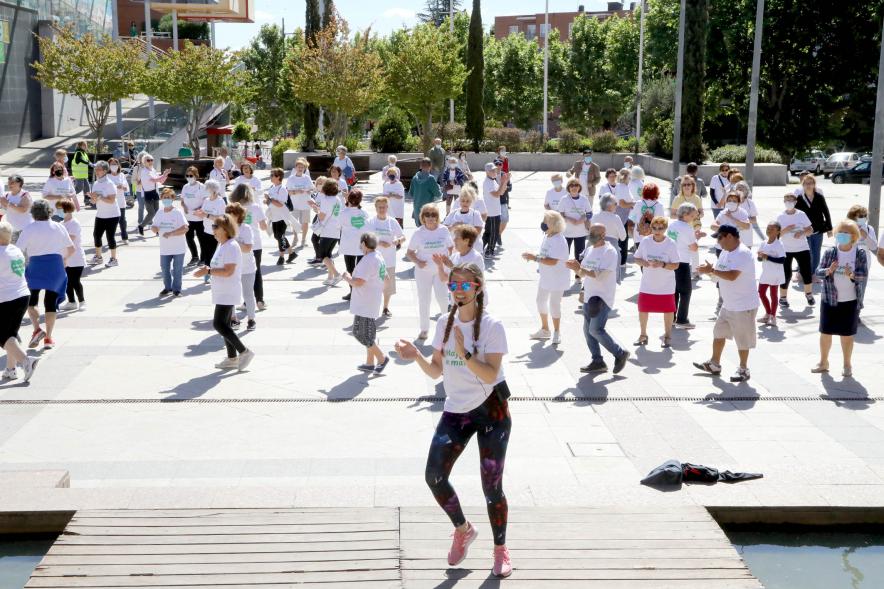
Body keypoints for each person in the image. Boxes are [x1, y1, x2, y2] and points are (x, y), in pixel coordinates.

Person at [394, 263, 513, 579]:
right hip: (457, 411)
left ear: (478, 287)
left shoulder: (492, 326)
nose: (458, 290)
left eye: (465, 285)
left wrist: (465, 352)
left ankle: (500, 550)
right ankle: (463, 529)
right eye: (453, 285)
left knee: (492, 487)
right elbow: (437, 370)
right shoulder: (443, 324)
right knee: (434, 475)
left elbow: (490, 374)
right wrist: (415, 356)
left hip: (492, 413)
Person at [694, 225, 759, 383]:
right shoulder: (725, 252)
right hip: (728, 303)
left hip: (743, 305)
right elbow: (718, 272)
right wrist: (709, 271)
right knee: (719, 333)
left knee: (742, 339)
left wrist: (713, 271)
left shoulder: (743, 253)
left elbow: (732, 276)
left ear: (729, 236)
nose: (718, 241)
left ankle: (744, 369)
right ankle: (714, 364)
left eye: (719, 237)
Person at [194, 214, 255, 371]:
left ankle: (244, 351)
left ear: (225, 229)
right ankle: (232, 358)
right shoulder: (222, 245)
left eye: (216, 226)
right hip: (222, 291)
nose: (213, 229)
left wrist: (208, 270)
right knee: (225, 324)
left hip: (228, 291)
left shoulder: (231, 246)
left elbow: (228, 271)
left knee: (219, 324)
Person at [567, 223, 629, 374]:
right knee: (588, 330)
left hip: (603, 298)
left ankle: (620, 353)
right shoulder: (589, 249)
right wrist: (577, 270)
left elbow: (599, 275)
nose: (592, 234)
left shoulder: (609, 252)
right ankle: (597, 361)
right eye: (591, 231)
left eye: (595, 232)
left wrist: (580, 269)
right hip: (589, 296)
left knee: (595, 329)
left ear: (603, 234)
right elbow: (583, 274)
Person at [812, 220, 866, 378]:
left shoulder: (859, 254)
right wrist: (829, 270)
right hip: (829, 299)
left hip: (850, 300)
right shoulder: (830, 252)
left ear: (854, 236)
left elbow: (862, 275)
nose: (842, 235)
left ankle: (847, 365)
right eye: (840, 232)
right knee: (825, 332)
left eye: (846, 232)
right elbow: (818, 272)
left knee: (847, 335)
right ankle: (823, 362)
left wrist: (852, 275)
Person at [17, 201, 74, 350]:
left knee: (31, 301)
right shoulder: (58, 226)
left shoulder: (29, 229)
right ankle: (48, 337)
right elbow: (71, 248)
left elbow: (18, 251)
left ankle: (36, 328)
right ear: (49, 212)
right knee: (51, 302)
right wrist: (64, 260)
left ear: (33, 213)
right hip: (55, 266)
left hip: (35, 266)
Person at [343, 232, 390, 373]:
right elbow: (386, 278)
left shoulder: (368, 260)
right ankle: (370, 363)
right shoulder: (378, 256)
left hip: (365, 302)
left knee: (359, 333)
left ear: (364, 244)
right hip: (371, 300)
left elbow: (358, 282)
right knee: (369, 333)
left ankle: (382, 358)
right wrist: (378, 289)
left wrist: (347, 277)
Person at [522, 211, 570, 345]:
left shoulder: (559, 240)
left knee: (554, 305)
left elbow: (553, 261)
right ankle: (545, 329)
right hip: (546, 276)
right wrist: (535, 257)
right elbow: (545, 255)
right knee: (540, 301)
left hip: (557, 278)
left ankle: (557, 332)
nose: (542, 223)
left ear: (554, 224)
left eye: (545, 221)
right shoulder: (548, 236)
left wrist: (535, 258)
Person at [407, 204, 454, 340]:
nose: (430, 218)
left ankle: (447, 326)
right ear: (422, 217)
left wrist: (447, 258)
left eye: (433, 215)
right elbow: (409, 252)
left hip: (441, 270)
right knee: (424, 300)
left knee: (442, 298)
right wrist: (418, 261)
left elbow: (451, 247)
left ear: (437, 217)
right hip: (423, 272)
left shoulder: (444, 230)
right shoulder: (418, 233)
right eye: (427, 215)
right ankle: (424, 329)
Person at [0, 221, 39, 381]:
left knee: (2, 336)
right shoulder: (15, 250)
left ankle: (26, 361)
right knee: (11, 334)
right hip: (22, 295)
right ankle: (10, 369)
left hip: (6, 298)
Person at [633, 216, 679, 347]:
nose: (657, 231)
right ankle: (643, 335)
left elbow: (676, 265)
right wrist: (645, 263)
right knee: (643, 308)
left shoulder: (671, 243)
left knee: (668, 310)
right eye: (654, 228)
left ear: (665, 229)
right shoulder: (645, 241)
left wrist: (662, 264)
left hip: (666, 284)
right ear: (651, 227)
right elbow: (637, 258)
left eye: (660, 228)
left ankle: (668, 336)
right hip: (648, 283)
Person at [229, 183, 268, 310]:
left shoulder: (233, 208)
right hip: (255, 244)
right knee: (257, 272)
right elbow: (263, 227)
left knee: (243, 273)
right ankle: (260, 300)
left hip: (238, 244)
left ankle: (246, 301)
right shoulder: (256, 207)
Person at [367, 196, 404, 317]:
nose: (382, 209)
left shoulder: (392, 221)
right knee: (373, 285)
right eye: (379, 207)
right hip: (373, 260)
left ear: (387, 207)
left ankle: (386, 307)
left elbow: (402, 236)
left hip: (389, 260)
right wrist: (379, 243)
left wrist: (397, 241)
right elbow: (365, 239)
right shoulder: (371, 221)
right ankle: (373, 307)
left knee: (387, 286)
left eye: (384, 207)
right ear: (375, 208)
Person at [777, 193, 815, 308]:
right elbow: (776, 234)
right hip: (786, 249)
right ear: (783, 201)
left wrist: (802, 233)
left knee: (806, 272)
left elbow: (811, 229)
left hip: (802, 248)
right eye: (786, 200)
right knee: (785, 274)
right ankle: (783, 298)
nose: (788, 202)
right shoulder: (780, 216)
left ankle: (809, 294)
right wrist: (786, 229)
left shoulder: (801, 214)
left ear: (795, 202)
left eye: (791, 200)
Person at [795, 174, 833, 282]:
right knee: (806, 253)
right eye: (806, 183)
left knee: (816, 252)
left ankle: (814, 274)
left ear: (814, 185)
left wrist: (829, 228)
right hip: (804, 231)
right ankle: (802, 273)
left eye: (811, 183)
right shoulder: (799, 199)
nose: (809, 185)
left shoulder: (819, 197)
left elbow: (826, 212)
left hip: (818, 229)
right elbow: (796, 215)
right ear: (803, 185)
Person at [225, 202, 257, 331]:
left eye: (232, 214)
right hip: (231, 268)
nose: (230, 216)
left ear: (239, 215)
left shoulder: (246, 228)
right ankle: (233, 319)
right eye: (228, 214)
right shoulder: (225, 229)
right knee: (232, 294)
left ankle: (251, 319)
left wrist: (233, 243)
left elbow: (248, 248)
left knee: (248, 294)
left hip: (247, 267)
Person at [150, 188, 188, 297]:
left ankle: (177, 289)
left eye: (168, 197)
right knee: (165, 268)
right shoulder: (160, 212)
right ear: (161, 198)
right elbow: (154, 226)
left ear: (172, 199)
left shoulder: (177, 212)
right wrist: (154, 228)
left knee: (177, 269)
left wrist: (171, 233)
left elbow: (185, 228)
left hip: (178, 247)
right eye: (164, 197)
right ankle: (167, 287)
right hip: (165, 248)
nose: (166, 199)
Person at [668, 203, 700, 329]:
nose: (693, 218)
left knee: (674, 291)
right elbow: (693, 247)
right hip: (683, 262)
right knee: (686, 291)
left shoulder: (672, 225)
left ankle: (672, 317)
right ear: (686, 215)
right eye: (692, 215)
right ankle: (682, 319)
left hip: (671, 261)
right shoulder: (687, 228)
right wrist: (696, 240)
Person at [308, 178, 344, 286]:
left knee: (323, 255)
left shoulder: (326, 200)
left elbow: (322, 216)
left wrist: (315, 208)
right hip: (336, 229)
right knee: (328, 255)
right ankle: (330, 277)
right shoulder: (337, 199)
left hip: (327, 229)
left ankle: (337, 274)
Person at [556, 178, 592, 280]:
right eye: (572, 186)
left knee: (579, 255)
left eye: (576, 185)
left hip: (580, 232)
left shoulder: (584, 199)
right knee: (564, 254)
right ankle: (562, 273)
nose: (574, 188)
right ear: (568, 188)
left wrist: (581, 220)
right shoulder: (564, 199)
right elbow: (559, 214)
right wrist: (569, 219)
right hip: (566, 232)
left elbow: (589, 213)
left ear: (579, 187)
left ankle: (578, 275)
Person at [88, 161, 121, 268]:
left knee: (110, 237)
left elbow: (111, 200)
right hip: (100, 214)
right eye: (96, 169)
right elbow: (94, 202)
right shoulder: (96, 183)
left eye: (99, 169)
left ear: (105, 171)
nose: (96, 171)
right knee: (96, 235)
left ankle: (113, 259)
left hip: (112, 215)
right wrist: (92, 198)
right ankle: (98, 257)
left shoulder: (110, 184)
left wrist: (99, 196)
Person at [339, 189, 370, 302]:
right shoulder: (364, 213)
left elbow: (338, 226)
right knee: (361, 270)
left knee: (350, 269)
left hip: (348, 246)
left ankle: (353, 292)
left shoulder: (343, 213)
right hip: (362, 247)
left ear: (349, 199)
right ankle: (360, 293)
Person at [56, 200, 85, 312]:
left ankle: (82, 301)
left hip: (76, 257)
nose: (58, 211)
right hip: (64, 258)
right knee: (66, 281)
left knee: (75, 281)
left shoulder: (74, 223)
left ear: (67, 209)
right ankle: (71, 302)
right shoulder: (61, 224)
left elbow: (70, 240)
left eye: (60, 208)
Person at [757, 221, 786, 327]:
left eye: (772, 229)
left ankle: (773, 317)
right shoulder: (763, 243)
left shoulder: (779, 244)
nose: (769, 230)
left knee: (773, 295)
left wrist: (767, 257)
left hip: (775, 274)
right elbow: (760, 259)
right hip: (765, 273)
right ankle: (768, 313)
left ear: (778, 231)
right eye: (768, 228)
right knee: (761, 293)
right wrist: (760, 257)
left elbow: (782, 260)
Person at [847, 204, 876, 309]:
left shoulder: (869, 229)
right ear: (853, 217)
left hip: (864, 266)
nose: (862, 218)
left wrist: (866, 236)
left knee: (860, 291)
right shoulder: (847, 228)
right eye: (860, 216)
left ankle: (856, 313)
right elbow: (840, 245)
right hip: (848, 265)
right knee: (848, 291)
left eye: (864, 215)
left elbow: (873, 247)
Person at [267, 167, 296, 265]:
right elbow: (271, 202)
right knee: (278, 236)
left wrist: (270, 200)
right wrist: (267, 201)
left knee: (280, 236)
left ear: (278, 177)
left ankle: (281, 257)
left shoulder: (282, 189)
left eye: (272, 175)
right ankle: (291, 253)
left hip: (282, 216)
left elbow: (280, 204)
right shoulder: (272, 187)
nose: (270, 177)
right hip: (274, 216)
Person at [444, 185, 485, 255]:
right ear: (459, 201)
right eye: (463, 201)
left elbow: (478, 231)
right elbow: (444, 229)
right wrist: (453, 226)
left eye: (467, 201)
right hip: (456, 251)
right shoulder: (453, 213)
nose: (465, 203)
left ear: (471, 202)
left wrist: (463, 227)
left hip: (474, 250)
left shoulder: (475, 214)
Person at [136, 153, 170, 236]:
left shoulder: (153, 170)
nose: (150, 162)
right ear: (144, 162)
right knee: (151, 213)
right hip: (148, 194)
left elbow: (161, 181)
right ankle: (141, 226)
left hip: (155, 193)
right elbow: (155, 180)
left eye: (152, 160)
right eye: (148, 160)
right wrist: (164, 174)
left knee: (157, 213)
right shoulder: (144, 171)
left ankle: (157, 229)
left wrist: (165, 175)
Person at [196, 180, 227, 269]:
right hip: (206, 229)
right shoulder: (206, 200)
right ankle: (207, 272)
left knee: (213, 253)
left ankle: (211, 272)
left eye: (207, 189)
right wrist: (199, 213)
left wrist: (207, 215)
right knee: (206, 252)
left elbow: (221, 218)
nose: (205, 191)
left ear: (213, 190)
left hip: (216, 231)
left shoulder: (220, 201)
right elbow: (203, 211)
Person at [482, 163, 509, 258]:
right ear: (487, 172)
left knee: (488, 232)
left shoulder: (492, 181)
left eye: (495, 170)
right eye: (492, 170)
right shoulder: (488, 182)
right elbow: (497, 194)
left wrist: (505, 181)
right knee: (494, 233)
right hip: (492, 213)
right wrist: (503, 182)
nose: (495, 172)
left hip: (494, 212)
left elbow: (501, 191)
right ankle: (489, 251)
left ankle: (480, 248)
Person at [286, 157, 314, 249]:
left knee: (305, 223)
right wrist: (297, 191)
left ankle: (303, 239)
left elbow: (312, 188)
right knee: (295, 223)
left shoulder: (307, 178)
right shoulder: (291, 178)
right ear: (295, 167)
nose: (300, 168)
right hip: (294, 204)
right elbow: (288, 191)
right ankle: (295, 237)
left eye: (302, 167)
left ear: (304, 168)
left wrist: (309, 190)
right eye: (299, 167)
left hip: (306, 204)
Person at [180, 166, 206, 266]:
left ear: (196, 175)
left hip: (199, 218)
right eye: (187, 175)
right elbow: (182, 201)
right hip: (188, 218)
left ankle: (203, 258)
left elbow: (206, 201)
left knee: (201, 238)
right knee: (189, 238)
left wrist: (200, 209)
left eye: (191, 175)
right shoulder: (185, 187)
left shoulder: (201, 187)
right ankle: (194, 257)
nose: (189, 177)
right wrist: (184, 207)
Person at [409, 158, 443, 228]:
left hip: (417, 209)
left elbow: (410, 193)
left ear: (420, 166)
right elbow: (438, 194)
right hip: (429, 211)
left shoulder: (415, 178)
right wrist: (439, 188)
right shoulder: (430, 179)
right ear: (430, 167)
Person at [1, 174, 33, 243]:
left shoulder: (25, 195)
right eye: (9, 183)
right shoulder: (6, 195)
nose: (9, 185)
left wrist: (8, 204)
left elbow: (23, 210)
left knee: (25, 252)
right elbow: (4, 209)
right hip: (12, 230)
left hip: (24, 229)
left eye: (12, 183)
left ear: (19, 183)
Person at [613, 168, 635, 266]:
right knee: (623, 239)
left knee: (622, 238)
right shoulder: (622, 187)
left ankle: (621, 261)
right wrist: (633, 204)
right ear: (626, 177)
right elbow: (622, 203)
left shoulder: (621, 186)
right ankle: (622, 262)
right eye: (630, 177)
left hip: (623, 214)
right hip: (622, 215)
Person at [107, 158, 130, 244]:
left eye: (115, 164)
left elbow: (127, 188)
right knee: (111, 222)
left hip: (120, 202)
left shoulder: (122, 175)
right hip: (110, 202)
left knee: (122, 221)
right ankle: (111, 239)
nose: (114, 166)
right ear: (108, 166)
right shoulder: (107, 176)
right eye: (112, 164)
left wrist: (123, 187)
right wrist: (114, 187)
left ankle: (124, 237)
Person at [71, 141, 91, 205]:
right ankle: (68, 195)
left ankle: (87, 200)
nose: (85, 146)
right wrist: (88, 163)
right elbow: (78, 160)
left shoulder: (84, 153)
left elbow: (87, 161)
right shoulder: (78, 152)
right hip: (78, 175)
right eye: (84, 145)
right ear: (80, 146)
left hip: (84, 175)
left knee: (87, 188)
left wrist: (92, 164)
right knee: (79, 188)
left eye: (86, 145)